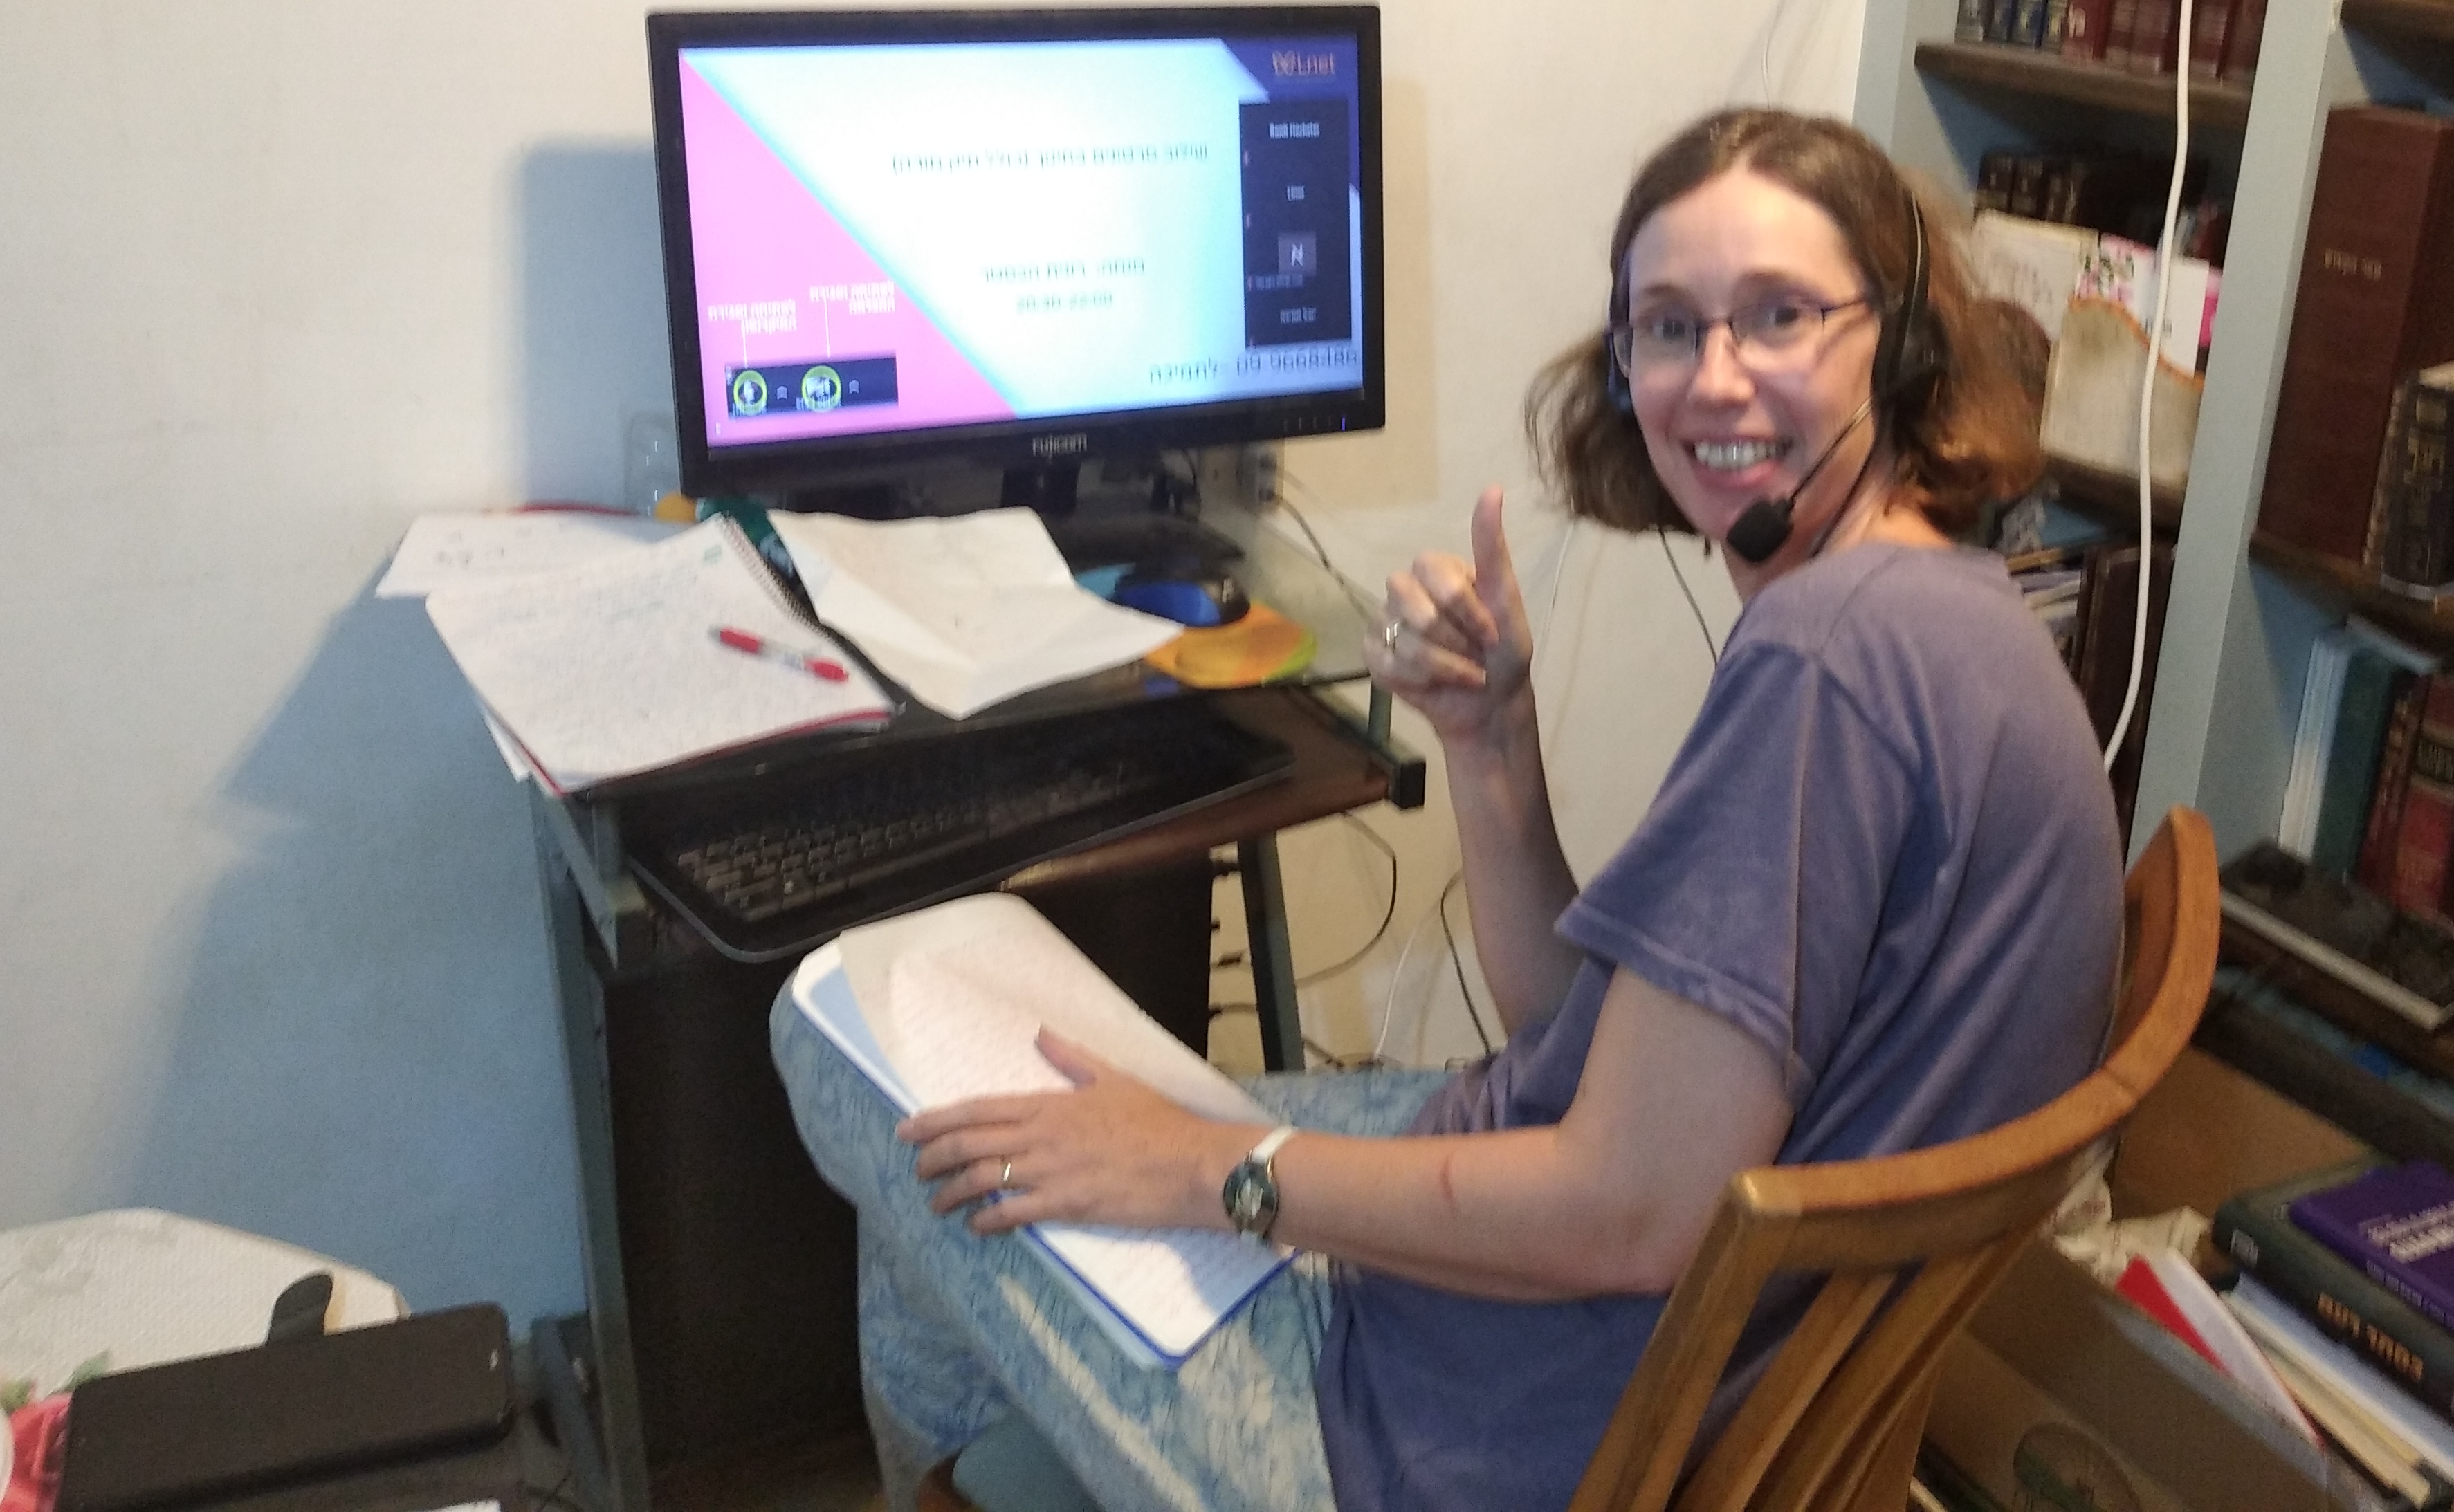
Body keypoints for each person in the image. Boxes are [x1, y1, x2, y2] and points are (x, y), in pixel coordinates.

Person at [771, 107, 2126, 1512]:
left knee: (844, 1040)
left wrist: (1219, 1176)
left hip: (1452, 1429)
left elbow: (1631, 1209)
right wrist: (1490, 744)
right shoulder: (1943, 616)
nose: (1716, 379)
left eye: (1779, 314)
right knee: (1016, 1119)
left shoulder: (1828, 658)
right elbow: (1575, 1036)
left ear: (1899, 345)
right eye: (1669, 327)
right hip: (1554, 1352)